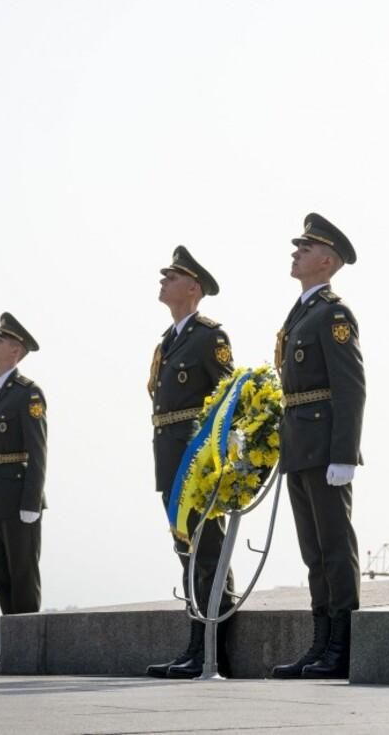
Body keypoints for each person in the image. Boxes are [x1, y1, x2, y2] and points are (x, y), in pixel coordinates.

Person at [271, 213, 366, 680]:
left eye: (304, 248)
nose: (295, 253)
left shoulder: (333, 313)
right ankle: (320, 644)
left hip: (326, 448)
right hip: (298, 446)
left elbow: (350, 387)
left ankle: (342, 648)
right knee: (313, 552)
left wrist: (345, 454)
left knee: (333, 548)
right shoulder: (301, 312)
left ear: (326, 260)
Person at [145, 246, 237, 679]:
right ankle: (194, 646)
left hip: (197, 464)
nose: (163, 280)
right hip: (170, 461)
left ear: (193, 288)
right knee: (186, 552)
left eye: (172, 276)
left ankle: (214, 650)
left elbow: (227, 399)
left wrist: (223, 459)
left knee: (208, 553)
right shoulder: (168, 341)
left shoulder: (208, 337)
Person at [0, 312, 48, 673]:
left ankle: (27, 651)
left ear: (14, 350)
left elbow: (37, 451)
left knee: (23, 575)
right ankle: (12, 648)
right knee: (0, 573)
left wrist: (31, 502)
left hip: (20, 501)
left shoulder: (28, 393)